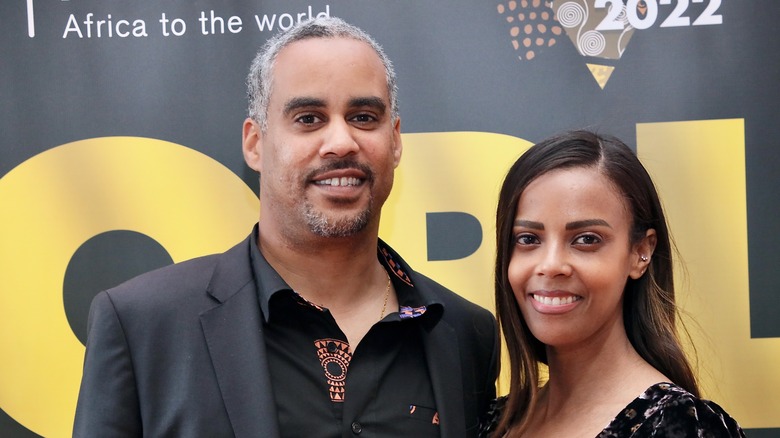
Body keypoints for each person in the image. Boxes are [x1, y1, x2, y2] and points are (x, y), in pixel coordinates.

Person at [73, 17, 498, 438]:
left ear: (396, 140)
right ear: (255, 144)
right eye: (309, 118)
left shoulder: (465, 333)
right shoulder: (141, 325)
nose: (341, 142)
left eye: (364, 117)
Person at [482, 130, 744, 437]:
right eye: (528, 239)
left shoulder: (682, 427)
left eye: (586, 240)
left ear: (640, 252)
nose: (551, 264)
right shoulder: (495, 420)